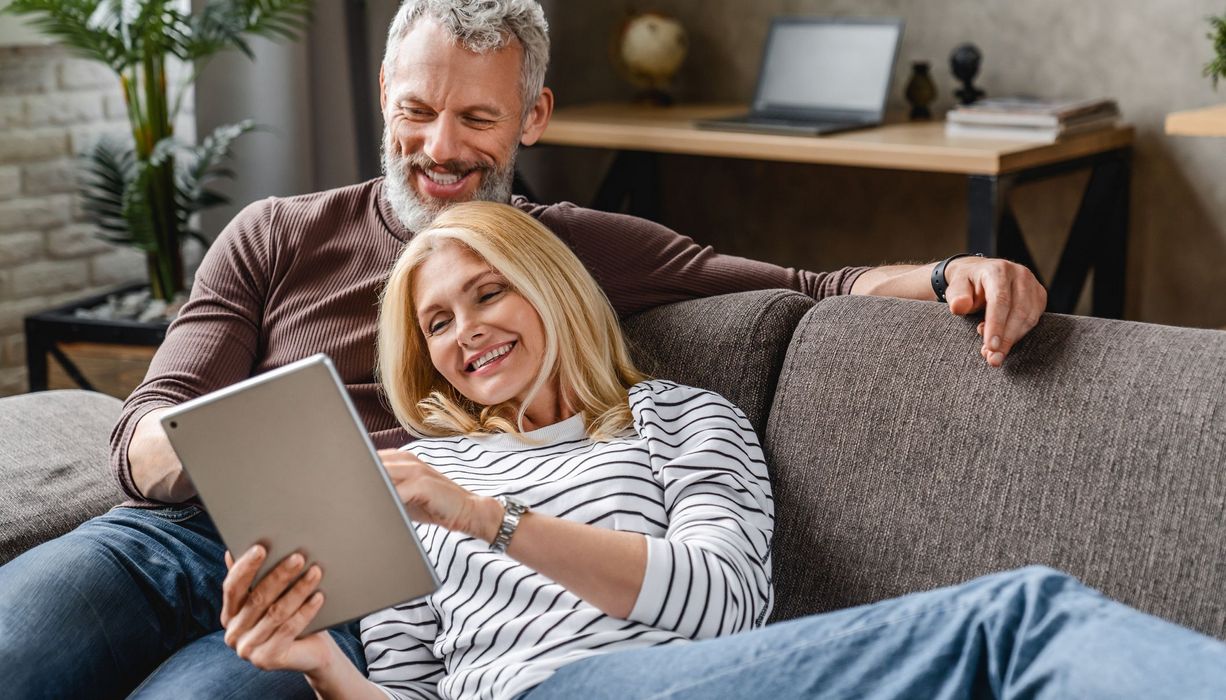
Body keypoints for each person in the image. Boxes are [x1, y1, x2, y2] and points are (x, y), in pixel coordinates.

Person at [0, 1, 1046, 697]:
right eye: (415, 111)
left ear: (532, 117)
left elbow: (806, 288)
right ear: (381, 97)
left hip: (352, 587)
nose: (440, 147)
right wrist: (220, 451)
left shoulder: (565, 249)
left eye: (475, 117)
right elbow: (142, 426)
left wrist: (958, 272)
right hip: (177, 535)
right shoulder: (275, 233)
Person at [218, 200, 1226, 699]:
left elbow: (722, 600)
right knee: (1018, 618)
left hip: (681, 679)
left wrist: (490, 520)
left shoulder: (677, 418)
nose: (465, 331)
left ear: (551, 289)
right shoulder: (415, 481)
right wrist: (315, 662)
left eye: (487, 292)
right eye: (436, 323)